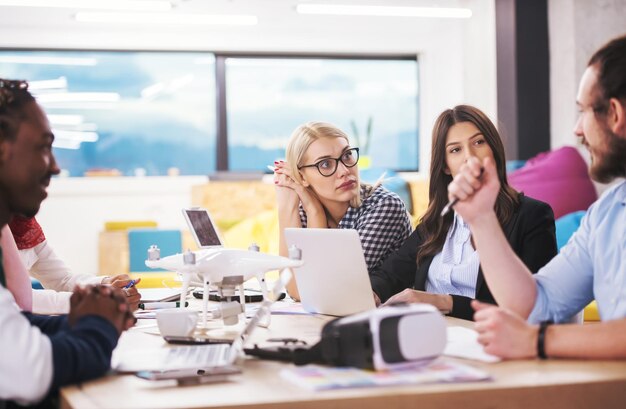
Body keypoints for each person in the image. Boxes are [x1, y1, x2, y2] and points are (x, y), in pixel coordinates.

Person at [447, 35, 626, 359]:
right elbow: (536, 305)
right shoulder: (606, 214)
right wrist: (481, 218)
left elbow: (533, 328)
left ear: (614, 114)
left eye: (583, 111)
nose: (577, 129)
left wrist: (536, 340)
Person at [0, 78, 135, 407]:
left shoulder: (22, 228)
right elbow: (29, 371)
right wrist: (97, 322)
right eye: (43, 147)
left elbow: (17, 323)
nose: (56, 166)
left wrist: (94, 309)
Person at [369, 105, 557, 320]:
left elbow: (531, 305)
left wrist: (443, 302)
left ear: (493, 150)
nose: (470, 157)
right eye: (455, 150)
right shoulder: (436, 222)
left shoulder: (532, 216)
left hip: (489, 339)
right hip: (427, 334)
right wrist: (373, 294)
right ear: (446, 166)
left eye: (479, 142)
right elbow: (390, 274)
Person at [274, 121, 412, 300]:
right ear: (301, 177)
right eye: (325, 164)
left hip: (397, 321)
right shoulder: (306, 210)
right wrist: (290, 208)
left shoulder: (384, 207)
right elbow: (291, 284)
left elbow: (318, 290)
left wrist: (315, 212)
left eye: (347, 155)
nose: (345, 170)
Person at [5, 215, 141, 314]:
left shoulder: (25, 226)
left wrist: (105, 284)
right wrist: (92, 301)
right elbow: (15, 297)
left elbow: (62, 280)